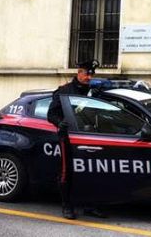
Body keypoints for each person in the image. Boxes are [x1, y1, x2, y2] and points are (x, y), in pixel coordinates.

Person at [47, 59, 105, 220]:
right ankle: (67, 206)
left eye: (91, 75)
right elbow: (51, 114)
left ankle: (89, 205)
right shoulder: (64, 91)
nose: (89, 78)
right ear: (79, 72)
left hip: (89, 137)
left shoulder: (92, 92)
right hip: (69, 138)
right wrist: (60, 122)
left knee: (91, 171)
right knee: (67, 172)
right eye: (86, 74)